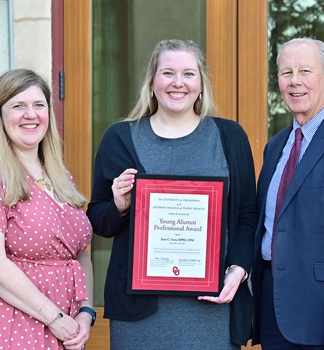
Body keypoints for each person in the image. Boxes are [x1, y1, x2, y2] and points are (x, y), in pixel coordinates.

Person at [87, 39, 257, 349]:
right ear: (152, 82)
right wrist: (119, 206)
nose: (178, 83)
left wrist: (238, 270)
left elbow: (248, 214)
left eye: (189, 74)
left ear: (201, 83)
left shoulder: (230, 137)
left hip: (213, 308)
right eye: (168, 73)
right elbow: (98, 221)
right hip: (138, 315)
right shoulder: (120, 138)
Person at [252, 38, 324, 349]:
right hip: (272, 308)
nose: (295, 81)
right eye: (286, 72)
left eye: (305, 70)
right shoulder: (276, 146)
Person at [0, 68, 95, 350]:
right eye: (18, 105)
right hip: (18, 327)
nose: (31, 114)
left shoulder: (61, 175)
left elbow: (81, 253)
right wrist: (53, 317)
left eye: (38, 105)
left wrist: (86, 313)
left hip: (68, 330)